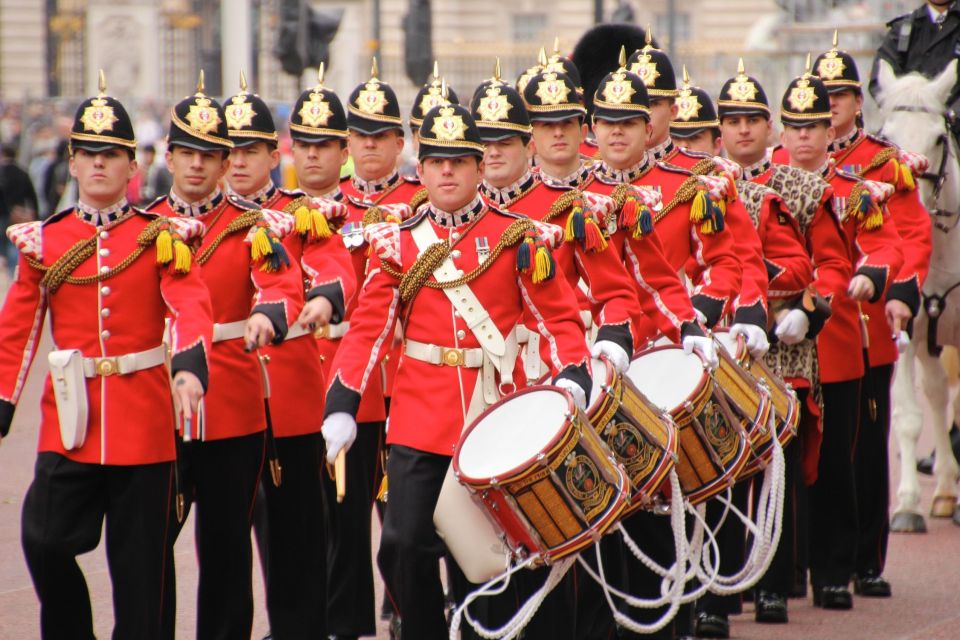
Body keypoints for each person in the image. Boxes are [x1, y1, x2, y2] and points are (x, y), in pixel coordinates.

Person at [322, 103, 592, 640]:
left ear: (477, 168)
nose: (448, 171)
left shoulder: (518, 236)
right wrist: (343, 402)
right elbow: (369, 327)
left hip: (491, 416)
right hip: (420, 420)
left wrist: (574, 374)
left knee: (487, 560)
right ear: (420, 171)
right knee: (401, 542)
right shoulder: (396, 242)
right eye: (437, 161)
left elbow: (556, 316)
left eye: (459, 161)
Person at [0, 74, 213, 639]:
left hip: (143, 423)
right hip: (71, 423)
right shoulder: (44, 242)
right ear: (72, 164)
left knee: (142, 576)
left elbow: (189, 303)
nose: (98, 164)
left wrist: (190, 367)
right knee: (43, 540)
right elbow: (18, 326)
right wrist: (2, 399)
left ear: (131, 168)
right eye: (88, 154)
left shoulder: (161, 235)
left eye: (111, 155)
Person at [149, 72, 304, 639]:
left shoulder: (252, 228)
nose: (197, 166)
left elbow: (282, 285)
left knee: (224, 545)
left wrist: (270, 314)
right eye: (186, 153)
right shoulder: (145, 230)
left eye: (209, 156)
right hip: (158, 402)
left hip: (233, 399)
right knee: (149, 543)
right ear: (168, 157)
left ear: (222, 164)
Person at [224, 71, 357, 639]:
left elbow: (332, 268)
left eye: (249, 150)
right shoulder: (185, 222)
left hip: (292, 403)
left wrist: (324, 299)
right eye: (225, 151)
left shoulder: (302, 213)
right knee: (225, 550)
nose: (235, 162)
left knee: (297, 547)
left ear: (272, 154)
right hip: (224, 402)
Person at [776, 64, 904, 611]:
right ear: (782, 133)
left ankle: (833, 571)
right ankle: (781, 578)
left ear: (830, 131)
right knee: (780, 468)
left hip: (837, 344)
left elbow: (886, 247)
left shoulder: (853, 192)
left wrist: (869, 275)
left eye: (814, 125)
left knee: (835, 467)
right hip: (780, 348)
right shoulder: (759, 187)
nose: (804, 136)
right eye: (795, 126)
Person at [715, 59, 832, 628]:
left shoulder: (804, 187)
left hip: (785, 342)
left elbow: (828, 265)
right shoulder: (704, 188)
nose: (742, 130)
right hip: (723, 343)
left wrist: (810, 311)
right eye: (731, 119)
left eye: (752, 119)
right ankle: (721, 585)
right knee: (718, 468)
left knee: (774, 470)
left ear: (771, 128)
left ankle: (773, 585)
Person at [818, 34, 934, 598]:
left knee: (867, 448)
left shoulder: (884, 164)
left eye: (841, 94)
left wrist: (899, 296)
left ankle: (867, 559)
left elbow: (912, 236)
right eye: (824, 95)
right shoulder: (798, 159)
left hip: (867, 328)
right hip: (818, 328)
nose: (833, 104)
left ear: (857, 102)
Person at [322, 58, 426, 640]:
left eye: (379, 137)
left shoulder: (419, 198)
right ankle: (348, 623)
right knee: (344, 514)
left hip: (406, 379)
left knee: (405, 522)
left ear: (398, 142)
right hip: (352, 383)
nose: (367, 147)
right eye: (358, 137)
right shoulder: (327, 207)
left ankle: (408, 610)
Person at [870, 0, 960, 125]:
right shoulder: (903, 28)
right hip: (906, 120)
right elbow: (879, 79)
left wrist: (953, 114)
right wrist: (901, 108)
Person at [0, 143, 39, 271]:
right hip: (20, 212)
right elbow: (32, 195)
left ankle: (6, 266)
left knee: (3, 243)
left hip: (4, 213)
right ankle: (15, 269)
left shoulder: (2, 172)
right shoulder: (22, 172)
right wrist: (35, 213)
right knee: (16, 241)